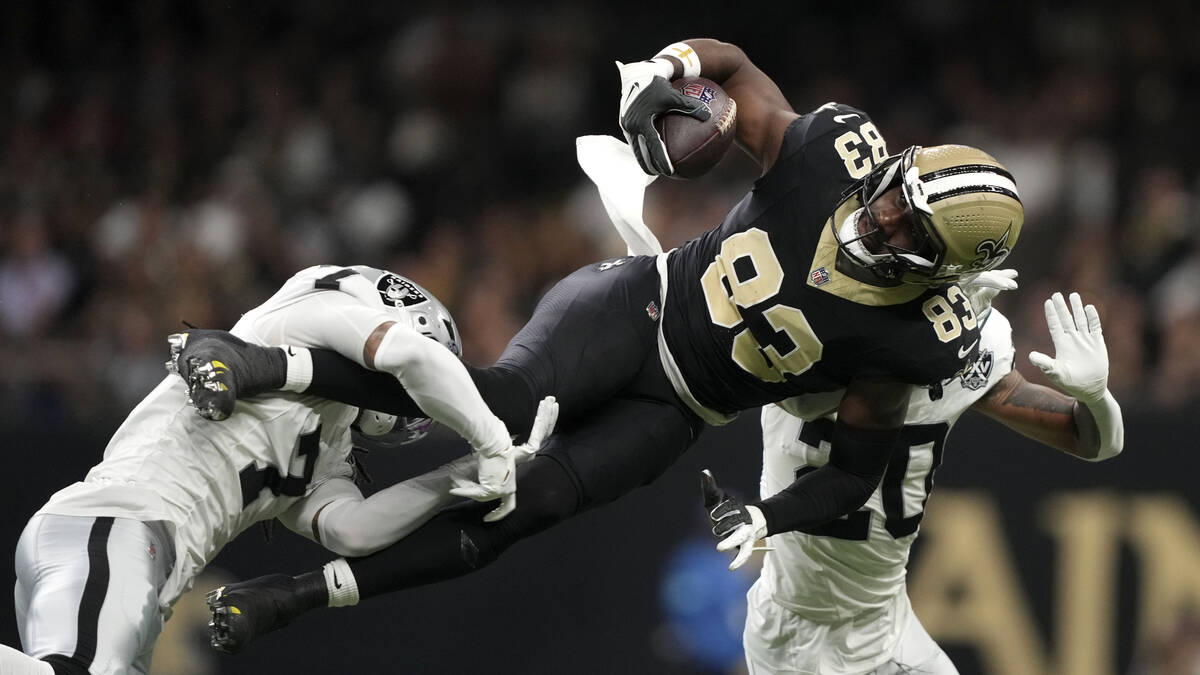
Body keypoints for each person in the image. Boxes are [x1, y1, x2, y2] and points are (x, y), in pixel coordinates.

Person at [168, 37, 1029, 654]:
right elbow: (732, 64)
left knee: (526, 507)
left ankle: (286, 599)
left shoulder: (916, 337)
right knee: (500, 410)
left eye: (907, 227)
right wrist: (668, 68)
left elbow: (852, 472)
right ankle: (259, 362)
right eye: (895, 196)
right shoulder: (831, 153)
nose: (880, 216)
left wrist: (768, 513)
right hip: (640, 308)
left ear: (943, 267)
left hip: (683, 409)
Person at [0, 265, 556, 675]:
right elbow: (412, 358)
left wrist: (452, 477)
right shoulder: (298, 319)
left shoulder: (327, 432)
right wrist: (489, 438)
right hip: (115, 529)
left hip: (135, 558)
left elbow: (351, 531)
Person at [700, 286, 1124, 673]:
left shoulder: (964, 345)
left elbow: (1094, 442)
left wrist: (1096, 399)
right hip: (798, 634)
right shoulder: (809, 324)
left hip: (887, 618)